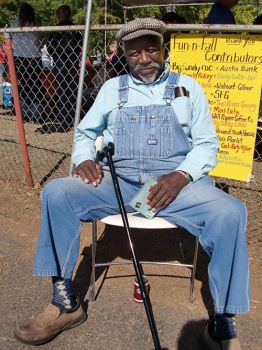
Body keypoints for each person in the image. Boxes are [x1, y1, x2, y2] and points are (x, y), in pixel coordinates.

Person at [14, 18, 249, 350]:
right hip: (119, 181)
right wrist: (83, 158)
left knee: (231, 213)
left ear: (163, 50)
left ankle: (222, 323)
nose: (144, 58)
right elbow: (85, 132)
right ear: (124, 53)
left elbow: (207, 144)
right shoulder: (113, 89)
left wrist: (181, 175)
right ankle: (65, 301)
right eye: (135, 52)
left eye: (151, 49)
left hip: (176, 184)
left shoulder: (188, 87)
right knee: (57, 192)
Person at [48, 5, 82, 131]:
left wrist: (57, 54)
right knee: (72, 91)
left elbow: (50, 47)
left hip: (61, 61)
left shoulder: (56, 29)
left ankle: (64, 120)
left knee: (63, 91)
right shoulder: (74, 29)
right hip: (71, 62)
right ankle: (73, 119)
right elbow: (79, 45)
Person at [10, 2, 44, 122]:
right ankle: (36, 113)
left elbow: (11, 38)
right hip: (34, 57)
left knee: (23, 86)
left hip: (19, 58)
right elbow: (40, 38)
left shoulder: (14, 24)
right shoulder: (37, 25)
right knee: (34, 85)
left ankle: (23, 113)